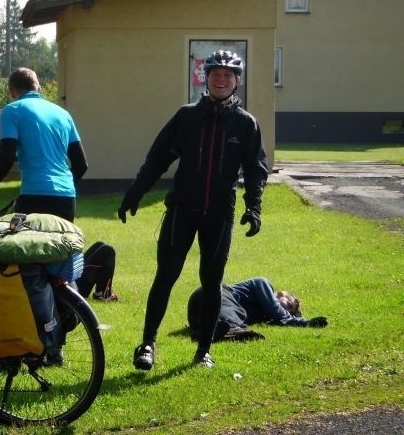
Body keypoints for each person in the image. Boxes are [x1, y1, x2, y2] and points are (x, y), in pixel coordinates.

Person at [117, 49, 268, 370]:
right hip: (181, 210)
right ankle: (147, 344)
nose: (221, 79)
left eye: (228, 75)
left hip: (218, 214)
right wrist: (135, 193)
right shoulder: (187, 117)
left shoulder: (245, 125)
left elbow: (256, 169)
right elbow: (158, 158)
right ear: (206, 77)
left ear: (237, 81)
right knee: (166, 276)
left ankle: (204, 351)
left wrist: (253, 207)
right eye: (215, 74)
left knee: (212, 282)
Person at [0, 67, 88, 222]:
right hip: (67, 198)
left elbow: (7, 156)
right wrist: (63, 187)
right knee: (61, 245)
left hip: (34, 195)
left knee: (23, 245)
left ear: (11, 91)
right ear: (38, 87)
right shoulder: (63, 114)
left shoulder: (11, 111)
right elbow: (81, 164)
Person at [187, 277, 328, 342]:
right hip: (211, 295)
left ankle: (205, 333)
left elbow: (279, 317)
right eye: (289, 305)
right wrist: (305, 322)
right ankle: (230, 329)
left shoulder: (266, 316)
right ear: (280, 294)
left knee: (228, 317)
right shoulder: (262, 283)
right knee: (233, 312)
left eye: (290, 311)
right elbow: (277, 312)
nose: (287, 311)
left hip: (199, 316)